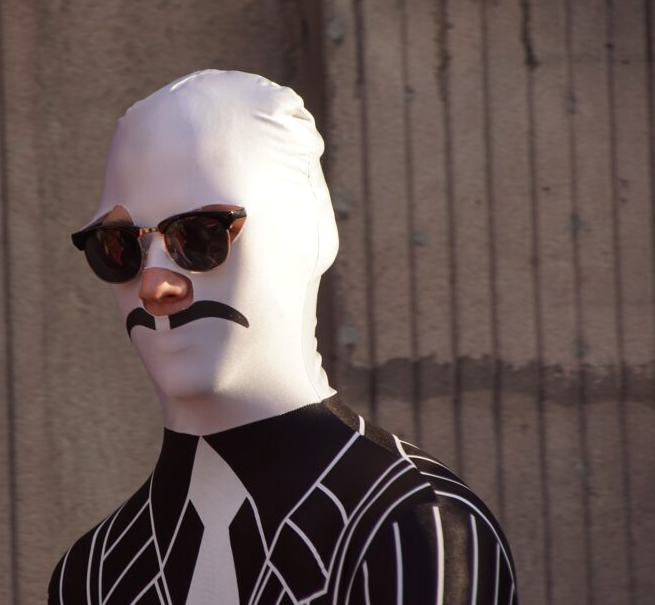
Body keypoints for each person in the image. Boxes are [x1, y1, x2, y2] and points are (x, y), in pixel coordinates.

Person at [50, 70, 517, 604]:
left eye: (200, 236)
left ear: (306, 233)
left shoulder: (414, 526)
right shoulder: (92, 574)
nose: (156, 285)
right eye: (118, 248)